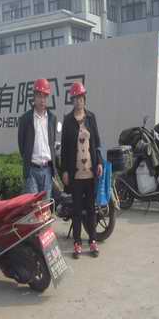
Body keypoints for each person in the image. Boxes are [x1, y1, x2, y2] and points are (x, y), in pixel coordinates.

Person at [60, 82, 102, 259]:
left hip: (90, 173)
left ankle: (92, 241)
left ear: (84, 99)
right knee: (77, 210)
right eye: (75, 98)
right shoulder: (68, 121)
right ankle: (77, 242)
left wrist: (99, 163)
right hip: (76, 174)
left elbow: (97, 144)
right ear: (72, 100)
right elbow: (64, 149)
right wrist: (64, 171)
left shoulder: (91, 118)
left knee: (91, 209)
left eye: (81, 98)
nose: (78, 101)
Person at [18, 78, 57, 198]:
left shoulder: (52, 118)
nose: (42, 100)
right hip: (32, 170)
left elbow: (52, 143)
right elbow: (22, 145)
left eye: (45, 96)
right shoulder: (25, 119)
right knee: (33, 205)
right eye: (39, 96)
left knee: (45, 206)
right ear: (34, 97)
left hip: (47, 170)